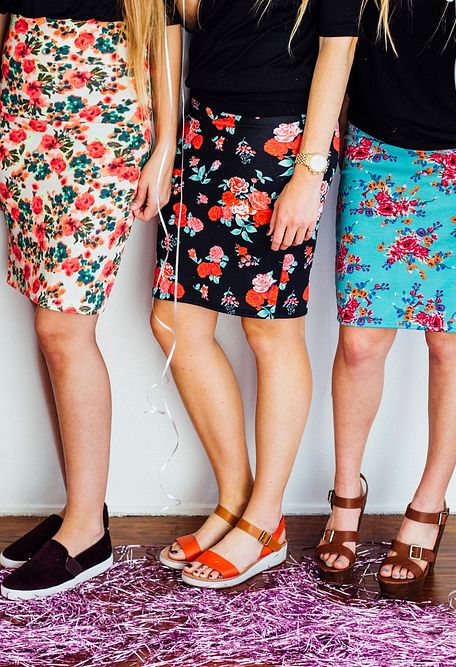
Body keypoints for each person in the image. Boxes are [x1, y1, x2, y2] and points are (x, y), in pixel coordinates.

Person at [317, 0, 456, 598]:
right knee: (360, 344)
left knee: (449, 342)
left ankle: (428, 506)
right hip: (375, 154)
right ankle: (345, 496)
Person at [0, 0, 181, 598]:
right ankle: (79, 510)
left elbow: (162, 28)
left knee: (65, 329)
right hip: (24, 121)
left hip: (102, 126)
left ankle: (88, 530)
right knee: (48, 326)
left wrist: (165, 144)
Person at [152, 0, 358, 588]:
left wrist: (310, 171)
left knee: (270, 331)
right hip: (203, 128)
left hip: (281, 142)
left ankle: (266, 518)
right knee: (173, 323)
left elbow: (337, 46)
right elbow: (189, 17)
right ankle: (237, 499)